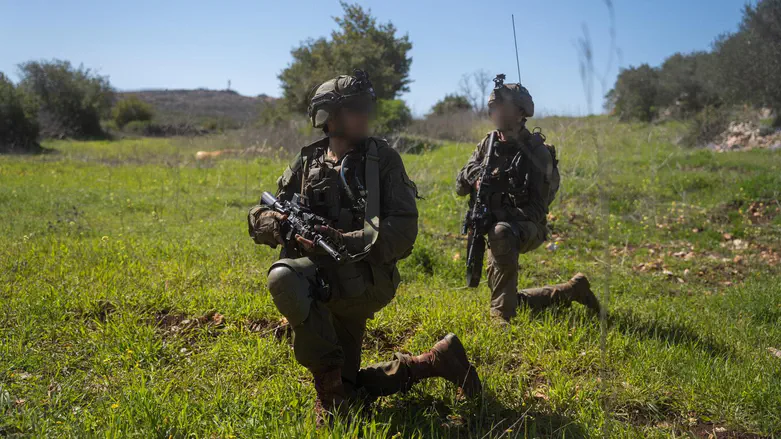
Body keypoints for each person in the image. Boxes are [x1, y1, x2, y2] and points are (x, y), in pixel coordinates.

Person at [248, 70, 481, 426]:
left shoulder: (381, 160)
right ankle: (435, 361)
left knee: (283, 278)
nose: (367, 116)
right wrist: (280, 227)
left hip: (363, 279)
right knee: (350, 385)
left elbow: (403, 231)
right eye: (357, 108)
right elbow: (257, 215)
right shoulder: (308, 160)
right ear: (330, 117)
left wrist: (343, 241)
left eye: (367, 107)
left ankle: (331, 400)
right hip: (319, 281)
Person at [455, 77, 600, 323]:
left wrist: (498, 215)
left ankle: (501, 316)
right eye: (492, 106)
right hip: (490, 225)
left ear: (521, 112)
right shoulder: (487, 144)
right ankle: (573, 290)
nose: (494, 111)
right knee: (511, 296)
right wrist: (477, 177)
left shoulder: (537, 153)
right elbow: (460, 186)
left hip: (528, 227)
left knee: (501, 233)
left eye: (501, 106)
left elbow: (535, 209)